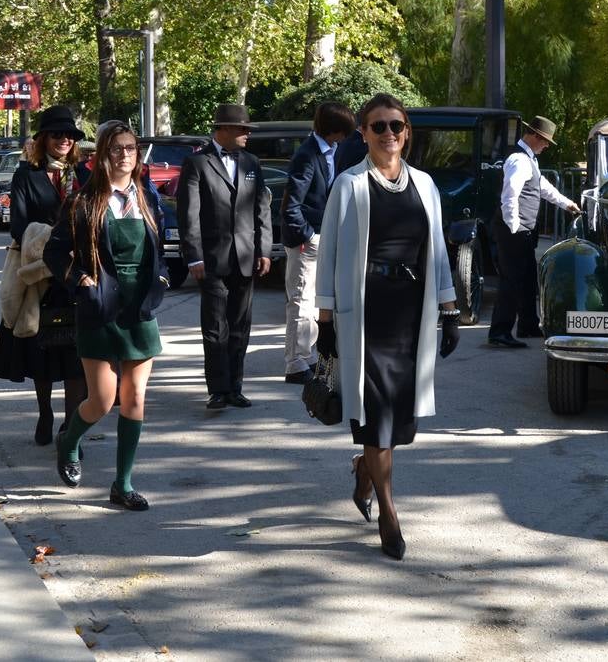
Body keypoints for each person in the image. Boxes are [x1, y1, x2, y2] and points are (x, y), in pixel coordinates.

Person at [315, 93, 461, 560]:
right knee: (376, 416)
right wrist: (323, 320)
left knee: (397, 420)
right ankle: (389, 514)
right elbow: (330, 254)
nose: (388, 134)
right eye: (378, 126)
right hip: (365, 313)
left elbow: (437, 250)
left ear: (407, 131)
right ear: (363, 133)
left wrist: (450, 308)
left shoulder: (425, 185)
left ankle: (364, 471)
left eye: (396, 125)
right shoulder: (348, 184)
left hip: (409, 313)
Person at [45, 121, 165, 510]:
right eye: (116, 149)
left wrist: (160, 279)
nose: (125, 156)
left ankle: (123, 484)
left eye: (130, 148)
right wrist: (79, 279)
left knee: (134, 399)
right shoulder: (83, 201)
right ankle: (70, 440)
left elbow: (159, 247)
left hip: (139, 308)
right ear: (100, 156)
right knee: (101, 399)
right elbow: (54, 252)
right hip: (99, 306)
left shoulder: (147, 198)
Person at [0, 106, 89, 446]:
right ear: (43, 138)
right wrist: (52, 241)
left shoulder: (85, 174)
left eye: (69, 135)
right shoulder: (26, 175)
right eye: (57, 134)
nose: (64, 140)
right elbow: (17, 226)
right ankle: (45, 412)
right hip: (40, 273)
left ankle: (70, 428)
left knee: (78, 357)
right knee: (41, 353)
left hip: (77, 274)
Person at [176, 103, 272, 410]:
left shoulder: (252, 163)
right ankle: (217, 389)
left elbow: (262, 209)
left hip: (246, 256)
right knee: (216, 326)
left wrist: (264, 249)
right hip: (211, 258)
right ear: (224, 130)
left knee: (240, 325)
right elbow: (188, 213)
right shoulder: (197, 162)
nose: (247, 135)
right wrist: (193, 256)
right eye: (242, 129)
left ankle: (235, 387)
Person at [486, 115, 580, 349]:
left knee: (527, 278)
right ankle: (499, 331)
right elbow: (510, 195)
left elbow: (544, 188)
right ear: (535, 136)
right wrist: (514, 226)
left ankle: (528, 324)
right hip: (515, 230)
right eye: (546, 140)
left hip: (522, 230)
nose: (547, 145)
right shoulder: (519, 160)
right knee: (511, 279)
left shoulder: (529, 160)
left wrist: (567, 203)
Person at [281, 102, 355, 384]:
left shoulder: (331, 151)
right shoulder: (307, 156)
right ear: (336, 130)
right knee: (300, 299)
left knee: (313, 300)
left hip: (322, 236)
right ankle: (295, 362)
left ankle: (306, 354)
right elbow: (291, 205)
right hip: (307, 240)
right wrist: (308, 235)